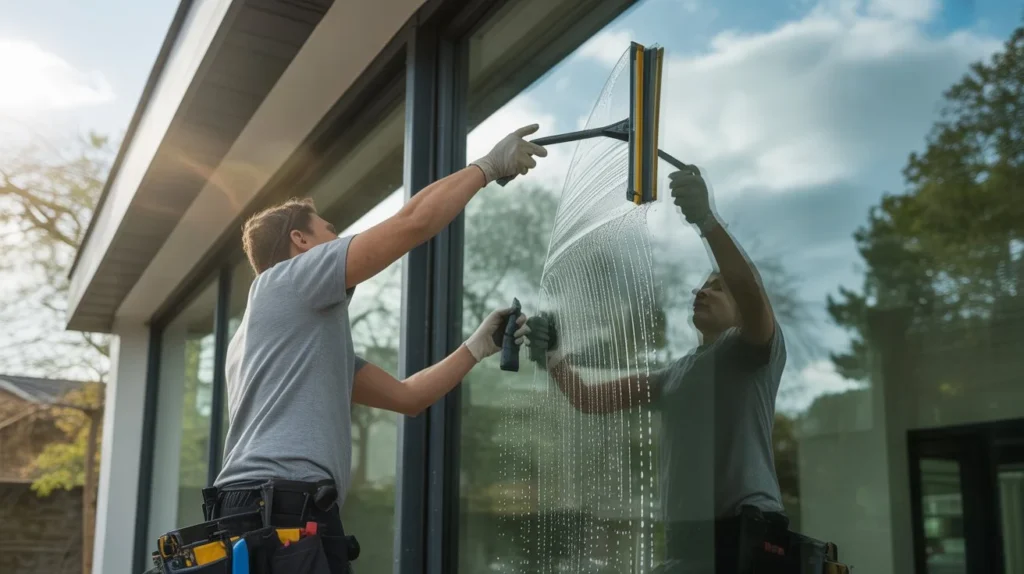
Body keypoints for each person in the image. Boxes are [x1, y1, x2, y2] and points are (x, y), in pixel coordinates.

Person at [206, 125, 547, 574]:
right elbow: (412, 224)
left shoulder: (288, 339)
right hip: (281, 507)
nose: (342, 242)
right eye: (331, 231)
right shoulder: (287, 280)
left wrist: (475, 346)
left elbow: (408, 398)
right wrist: (486, 167)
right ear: (300, 242)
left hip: (263, 510)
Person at [520, 166, 787, 573]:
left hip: (748, 536)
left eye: (717, 287)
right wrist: (552, 356)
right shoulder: (674, 376)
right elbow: (590, 400)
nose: (701, 290)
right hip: (687, 542)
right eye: (702, 285)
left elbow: (751, 290)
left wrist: (707, 222)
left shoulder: (750, 350)